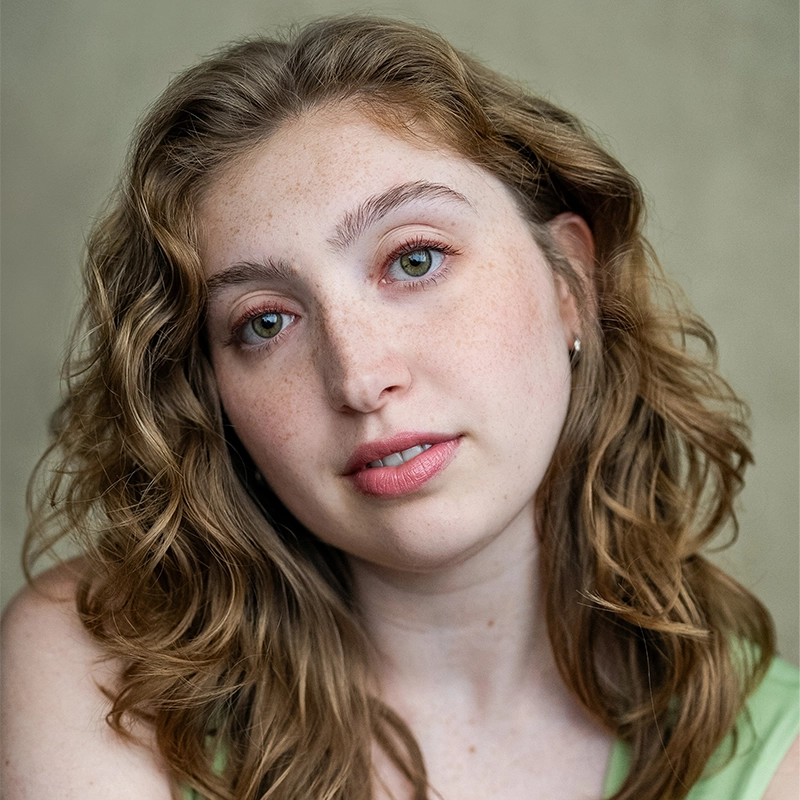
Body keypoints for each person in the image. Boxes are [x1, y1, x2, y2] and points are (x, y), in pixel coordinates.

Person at [1, 16, 797, 800]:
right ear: (213, 398)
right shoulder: (99, 670)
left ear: (570, 286)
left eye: (415, 260)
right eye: (265, 322)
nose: (357, 377)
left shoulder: (775, 761)